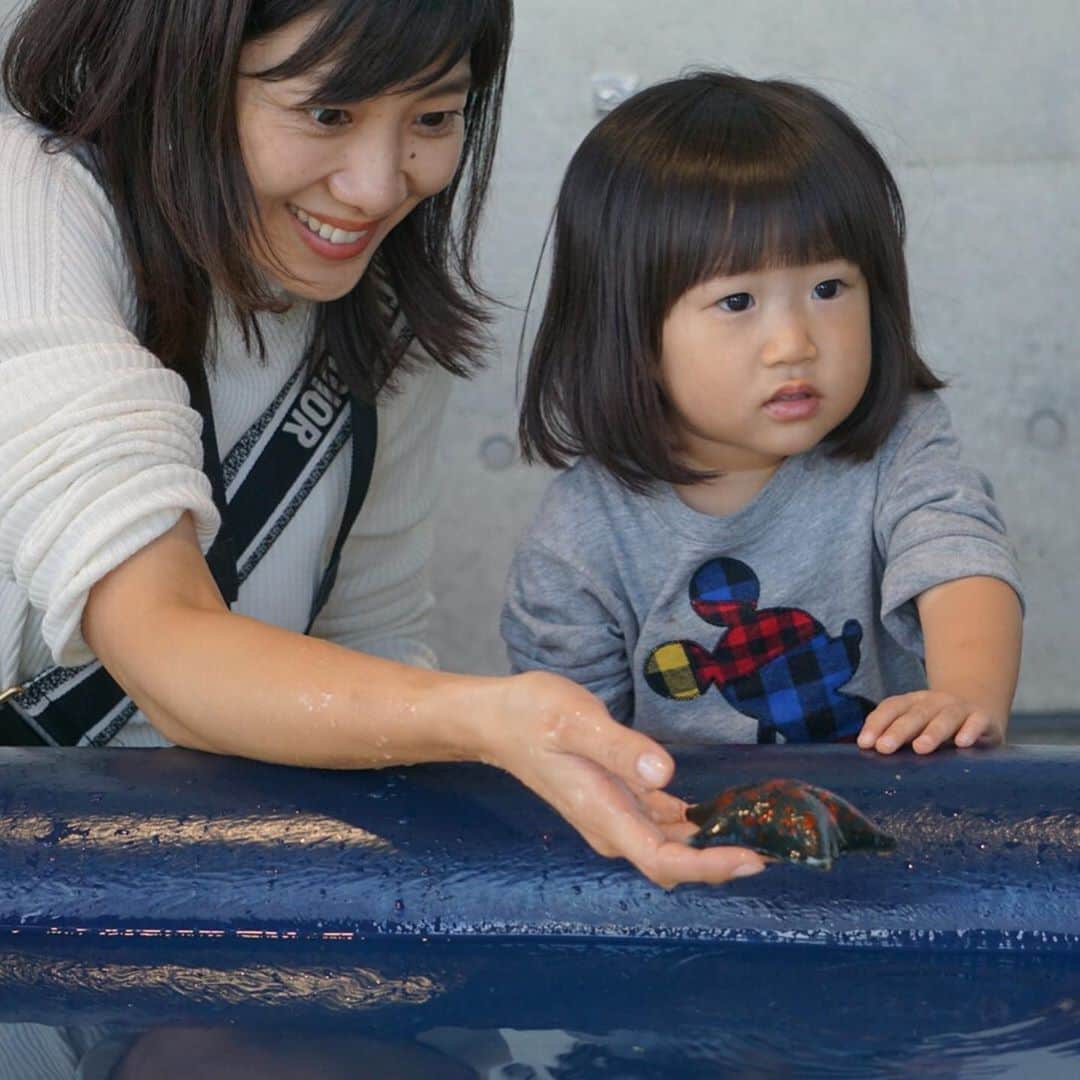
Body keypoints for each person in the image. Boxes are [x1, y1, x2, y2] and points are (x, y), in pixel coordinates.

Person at [0, 3, 768, 889]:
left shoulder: (380, 320)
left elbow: (370, 660)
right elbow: (162, 642)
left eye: (434, 117)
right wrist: (489, 718)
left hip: (194, 879)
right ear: (181, 71)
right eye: (328, 113)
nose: (376, 187)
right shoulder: (31, 204)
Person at [503, 72, 1024, 754]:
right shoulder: (579, 538)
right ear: (630, 330)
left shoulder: (900, 442)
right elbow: (567, 757)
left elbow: (958, 558)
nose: (795, 345)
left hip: (897, 830)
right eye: (738, 302)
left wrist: (965, 698)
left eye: (829, 288)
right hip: (685, 845)